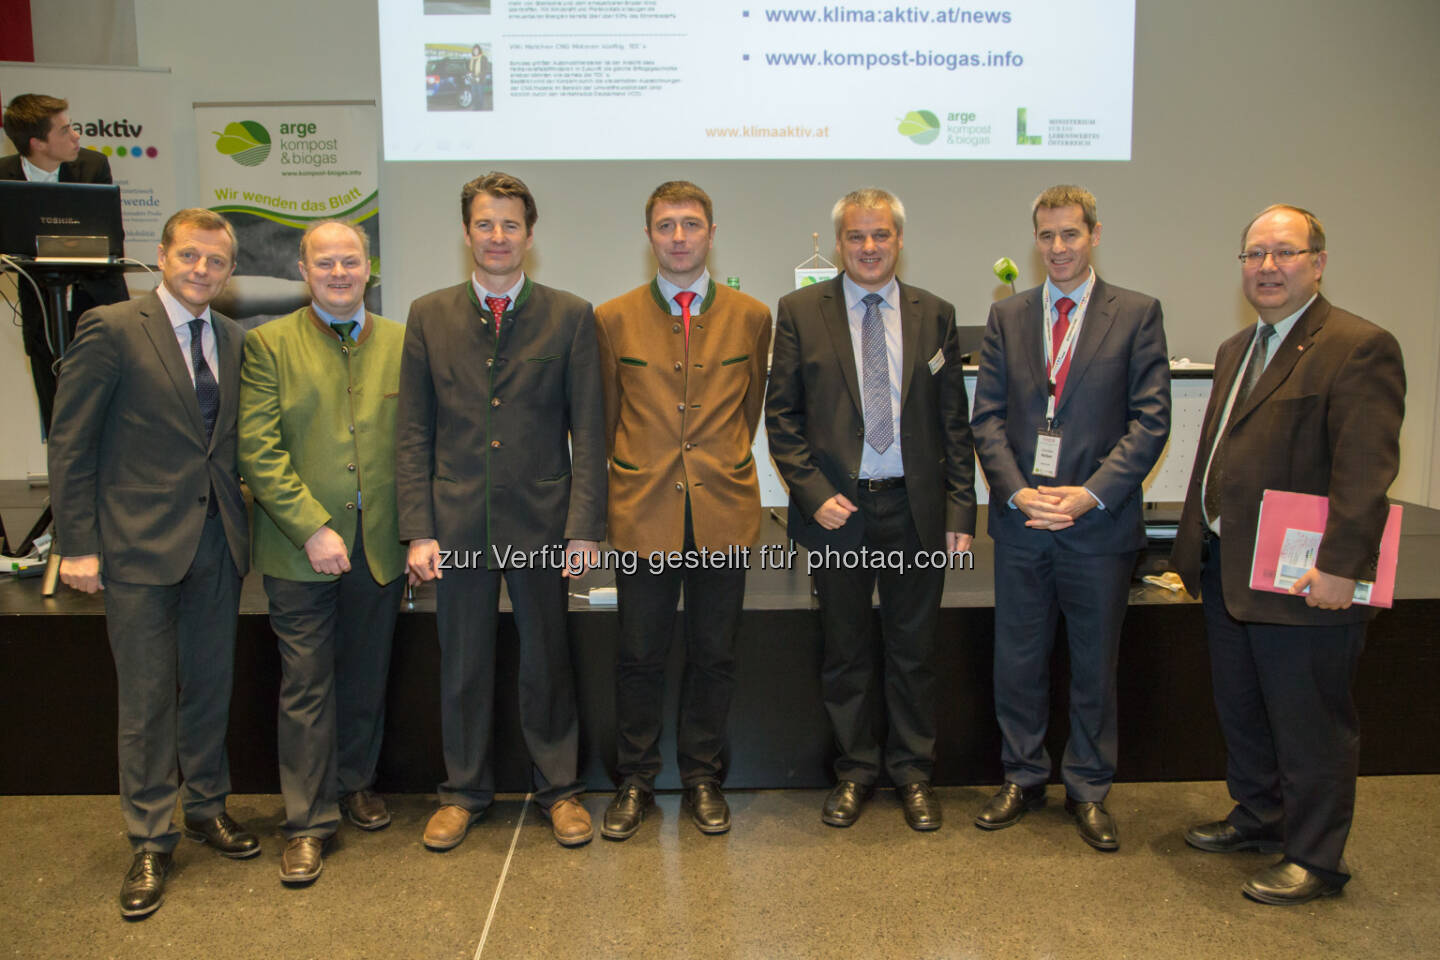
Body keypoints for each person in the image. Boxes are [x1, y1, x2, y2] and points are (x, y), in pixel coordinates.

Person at [1172, 204, 1405, 905]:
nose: (1266, 267)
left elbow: (1365, 469)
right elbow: (1219, 454)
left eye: (1283, 253)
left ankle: (1316, 858)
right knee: (1243, 709)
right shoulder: (1236, 347)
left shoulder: (1358, 345)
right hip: (1228, 566)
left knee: (1310, 721)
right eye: (1253, 255)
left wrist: (1343, 565)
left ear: (1319, 262)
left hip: (1305, 574)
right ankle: (1261, 817)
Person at [47, 208, 256, 918]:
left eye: (217, 261)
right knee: (145, 699)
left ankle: (205, 806)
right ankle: (149, 836)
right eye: (191, 255)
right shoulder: (111, 328)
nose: (203, 270)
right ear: (162, 256)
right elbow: (70, 442)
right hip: (134, 545)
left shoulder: (232, 337)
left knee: (208, 686)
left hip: (216, 541)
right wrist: (77, 544)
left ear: (229, 271)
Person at [396, 171, 606, 850]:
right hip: (455, 522)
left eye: (510, 225)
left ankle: (561, 791)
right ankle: (462, 792)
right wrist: (418, 529)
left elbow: (591, 432)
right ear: (466, 233)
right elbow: (412, 433)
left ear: (530, 235)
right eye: (484, 224)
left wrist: (583, 527)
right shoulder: (428, 315)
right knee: (461, 663)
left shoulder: (571, 315)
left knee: (548, 660)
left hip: (544, 523)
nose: (497, 237)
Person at [765, 187, 975, 831]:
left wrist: (960, 516)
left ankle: (913, 773)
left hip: (914, 510)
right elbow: (783, 417)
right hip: (839, 513)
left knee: (913, 652)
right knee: (846, 651)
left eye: (880, 235)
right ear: (839, 244)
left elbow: (952, 425)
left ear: (899, 240)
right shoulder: (800, 310)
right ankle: (855, 772)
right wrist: (812, 493)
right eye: (856, 237)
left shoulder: (934, 312)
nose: (868, 247)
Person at [969, 185, 1171, 851]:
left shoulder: (1137, 314)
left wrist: (1090, 494)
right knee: (1018, 659)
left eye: (1070, 235)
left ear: (1094, 235)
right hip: (1023, 521)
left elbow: (1150, 420)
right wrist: (1018, 492)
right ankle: (1022, 776)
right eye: (1047, 236)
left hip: (1098, 526)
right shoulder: (1009, 316)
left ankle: (1087, 787)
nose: (1058, 248)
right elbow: (988, 417)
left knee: (1093, 664)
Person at [593, 181, 772, 839]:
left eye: (690, 224)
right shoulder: (612, 319)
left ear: (711, 232)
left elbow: (745, 413)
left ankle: (702, 778)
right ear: (649, 237)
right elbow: (610, 416)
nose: (678, 237)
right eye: (665, 225)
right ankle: (635, 781)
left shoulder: (751, 316)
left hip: (723, 511)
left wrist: (712, 465)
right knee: (639, 654)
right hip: (643, 512)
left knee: (714, 654)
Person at [238, 220, 404, 884]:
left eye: (351, 261)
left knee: (366, 675)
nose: (339, 272)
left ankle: (356, 783)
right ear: (304, 272)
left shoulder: (400, 342)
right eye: (325, 263)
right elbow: (258, 448)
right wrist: (312, 525)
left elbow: (416, 441)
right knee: (307, 685)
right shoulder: (268, 345)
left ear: (370, 267)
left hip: (380, 547)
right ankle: (307, 821)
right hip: (299, 550)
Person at [2, 93, 129, 432]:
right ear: (37, 143)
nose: (75, 137)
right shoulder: (5, 176)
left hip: (97, 300)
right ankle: (63, 483)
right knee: (56, 406)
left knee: (110, 406)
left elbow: (111, 237)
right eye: (65, 130)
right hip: (41, 304)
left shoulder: (92, 166)